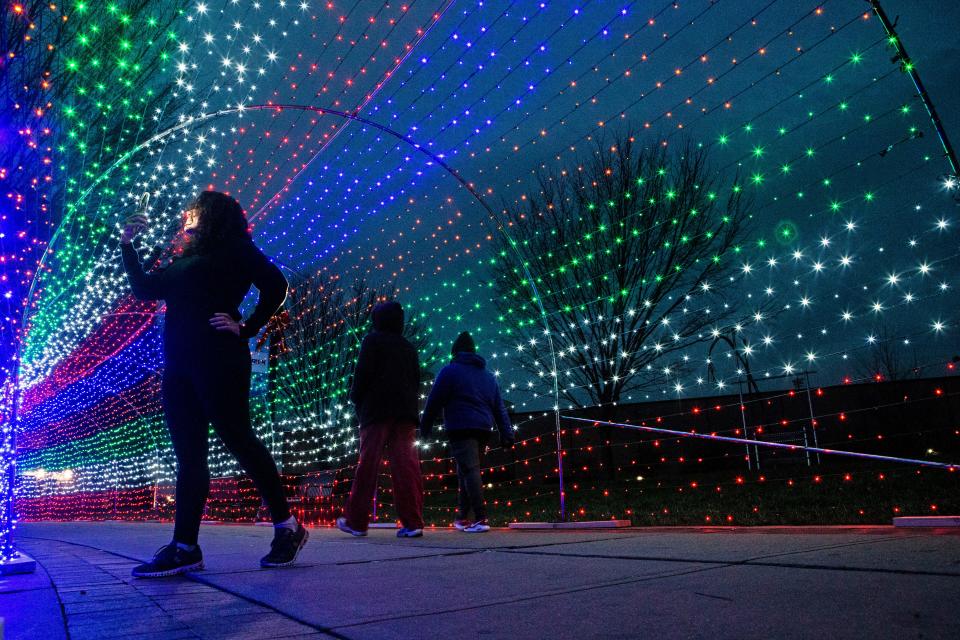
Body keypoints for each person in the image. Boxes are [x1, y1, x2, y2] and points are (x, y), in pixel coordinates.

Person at [120, 191, 308, 577]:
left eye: (194, 209)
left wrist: (247, 328)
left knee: (239, 439)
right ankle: (185, 546)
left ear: (212, 216)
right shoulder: (183, 258)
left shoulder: (235, 248)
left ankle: (287, 528)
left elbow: (276, 285)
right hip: (178, 367)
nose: (186, 213)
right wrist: (128, 246)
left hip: (219, 359)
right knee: (189, 455)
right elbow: (144, 289)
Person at [336, 301, 425, 538]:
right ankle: (413, 522)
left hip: (376, 411)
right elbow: (416, 380)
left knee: (368, 465)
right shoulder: (409, 347)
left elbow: (362, 374)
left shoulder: (372, 341)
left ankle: (356, 521)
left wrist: (356, 398)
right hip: (405, 412)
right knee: (406, 466)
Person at [420, 331, 514, 533]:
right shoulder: (488, 377)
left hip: (460, 427)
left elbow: (434, 401)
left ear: (455, 352)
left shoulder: (450, 372)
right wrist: (506, 433)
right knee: (466, 471)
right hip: (483, 429)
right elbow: (499, 408)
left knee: (469, 470)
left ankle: (480, 517)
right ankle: (462, 516)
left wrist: (425, 426)